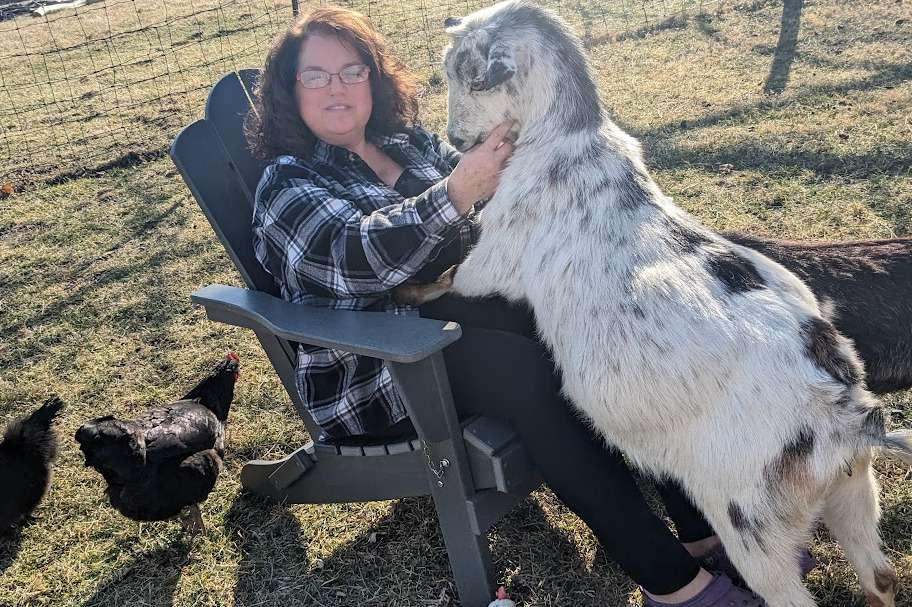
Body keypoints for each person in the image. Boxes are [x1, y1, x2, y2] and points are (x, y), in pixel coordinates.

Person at [244, 7, 784, 606]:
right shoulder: (287, 184)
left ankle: (702, 532)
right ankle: (676, 586)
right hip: (381, 370)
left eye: (352, 70)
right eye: (315, 76)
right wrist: (457, 194)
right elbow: (357, 256)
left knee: (591, 328)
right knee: (523, 371)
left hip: (452, 313)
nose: (338, 88)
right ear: (289, 92)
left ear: (375, 78)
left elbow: (497, 212)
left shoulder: (407, 144)